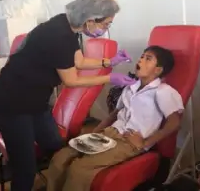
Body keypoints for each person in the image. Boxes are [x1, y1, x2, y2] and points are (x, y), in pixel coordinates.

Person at [0, 0, 136, 191]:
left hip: (36, 100)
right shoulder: (58, 35)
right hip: (13, 103)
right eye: (106, 23)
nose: (106, 28)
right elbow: (71, 80)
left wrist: (109, 61)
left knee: (55, 146)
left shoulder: (67, 26)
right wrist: (110, 77)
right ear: (90, 19)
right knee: (25, 168)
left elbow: (79, 61)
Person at [46, 46, 184, 191]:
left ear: (158, 70)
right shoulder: (130, 87)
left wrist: (144, 143)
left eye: (148, 58)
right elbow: (114, 114)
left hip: (128, 142)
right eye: (142, 56)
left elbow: (174, 123)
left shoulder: (163, 91)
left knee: (79, 168)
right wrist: (94, 132)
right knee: (60, 157)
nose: (141, 60)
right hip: (108, 133)